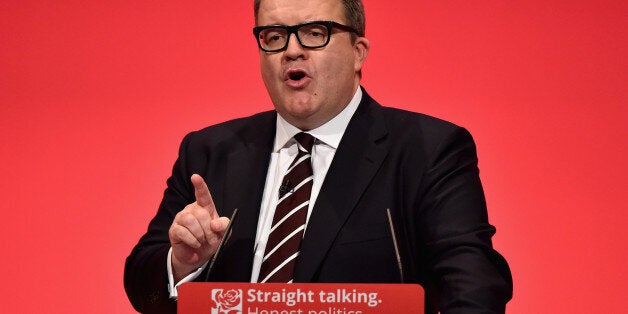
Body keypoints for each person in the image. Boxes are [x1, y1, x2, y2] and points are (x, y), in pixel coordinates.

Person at [124, 0, 513, 313]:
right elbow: (144, 286)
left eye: (315, 33)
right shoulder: (210, 151)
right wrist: (182, 264)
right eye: (274, 36)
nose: (292, 50)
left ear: (358, 51)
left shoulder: (427, 149)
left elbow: (474, 284)